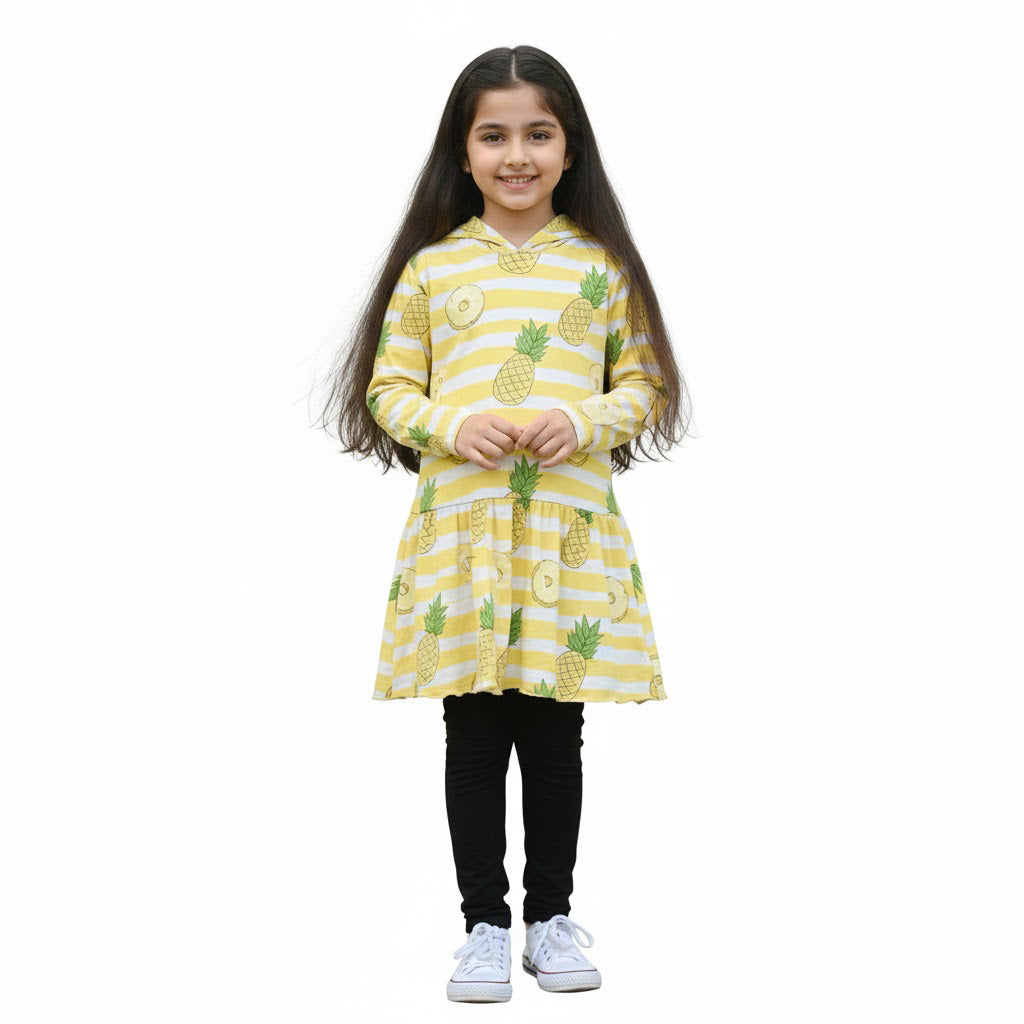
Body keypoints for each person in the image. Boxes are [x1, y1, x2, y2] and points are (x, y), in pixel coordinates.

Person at [318, 44, 692, 1003]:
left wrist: (584, 420)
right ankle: (483, 926)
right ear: (463, 149)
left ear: (571, 148)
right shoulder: (432, 271)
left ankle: (550, 920)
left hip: (567, 535)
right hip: (466, 535)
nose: (516, 155)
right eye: (493, 135)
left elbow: (644, 386)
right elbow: (390, 388)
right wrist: (452, 424)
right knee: (475, 737)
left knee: (556, 739)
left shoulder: (601, 269)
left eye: (538, 134)